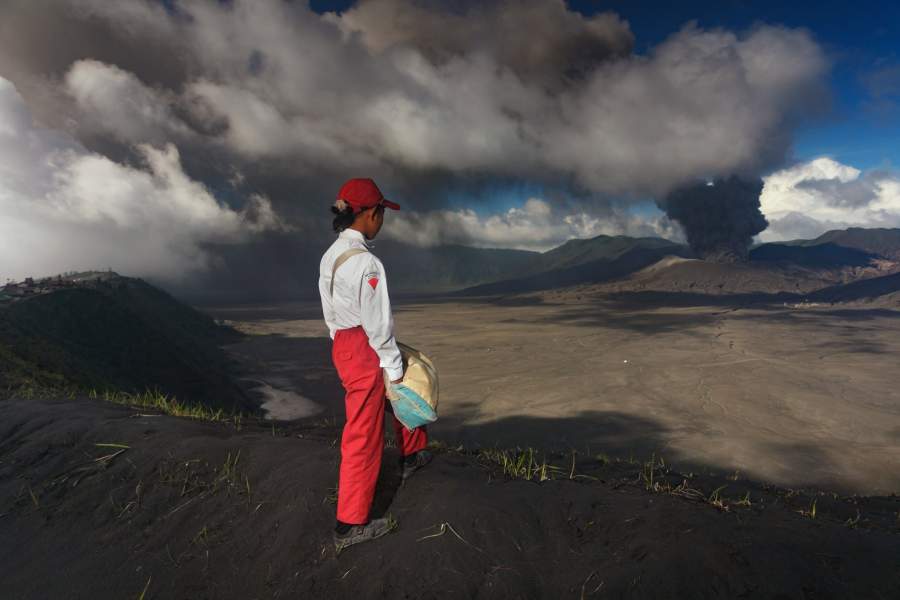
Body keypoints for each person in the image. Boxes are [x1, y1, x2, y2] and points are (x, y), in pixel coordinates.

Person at [318, 177, 433, 553]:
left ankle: (413, 452)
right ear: (368, 214)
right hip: (363, 344)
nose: (382, 219)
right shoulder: (367, 263)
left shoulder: (330, 255)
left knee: (383, 399)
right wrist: (392, 367)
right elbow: (379, 323)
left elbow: (331, 312)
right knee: (365, 431)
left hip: (343, 342)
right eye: (380, 212)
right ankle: (349, 524)